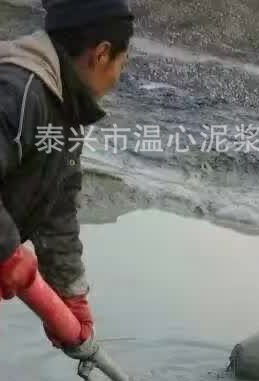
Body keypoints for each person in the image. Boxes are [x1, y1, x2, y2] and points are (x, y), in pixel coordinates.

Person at [0, 0, 134, 350]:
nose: (119, 76)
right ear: (101, 54)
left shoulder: (64, 107)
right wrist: (9, 252)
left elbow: (57, 208)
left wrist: (69, 295)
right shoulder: (18, 93)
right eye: (123, 61)